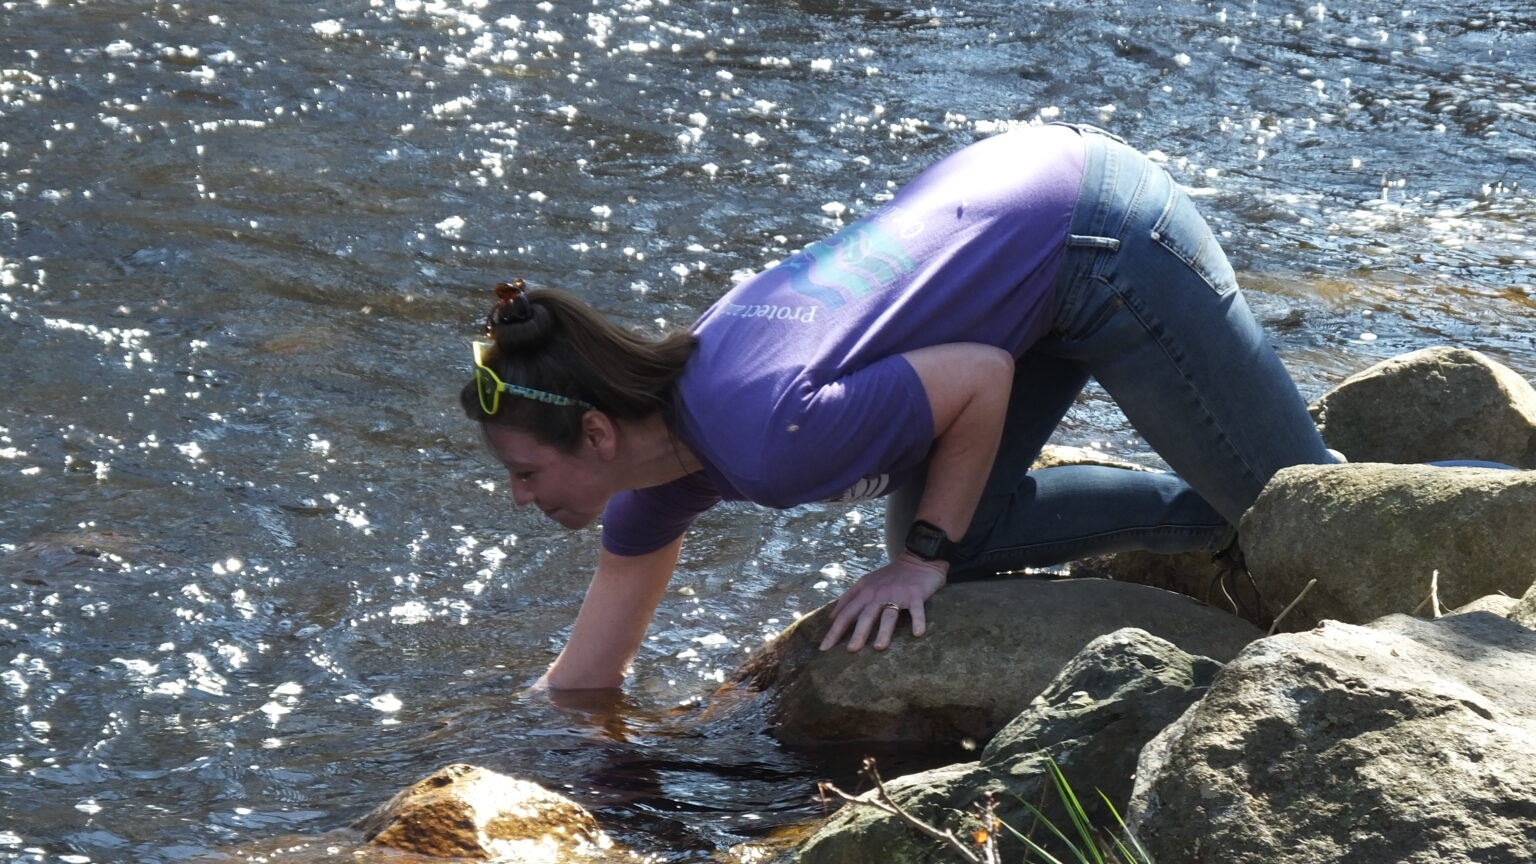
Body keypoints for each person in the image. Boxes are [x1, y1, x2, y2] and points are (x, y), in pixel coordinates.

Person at [461, 123, 1338, 691]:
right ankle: (1212, 519)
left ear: (597, 432)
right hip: (1008, 224)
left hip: (1093, 232)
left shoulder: (769, 438)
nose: (519, 497)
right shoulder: (656, 461)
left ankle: (1465, 501)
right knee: (966, 538)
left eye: (526, 471)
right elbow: (585, 678)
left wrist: (922, 561)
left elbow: (982, 377)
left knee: (1311, 517)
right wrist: (508, 757)